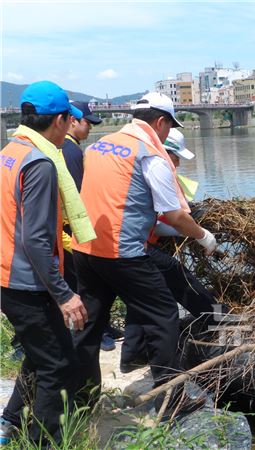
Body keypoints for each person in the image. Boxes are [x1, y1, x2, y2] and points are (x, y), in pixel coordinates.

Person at [70, 93, 218, 409]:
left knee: (90, 326)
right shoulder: (150, 154)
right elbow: (176, 216)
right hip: (122, 253)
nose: (166, 134)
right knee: (163, 316)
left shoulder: (99, 145)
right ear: (161, 122)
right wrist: (204, 237)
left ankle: (81, 401)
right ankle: (172, 401)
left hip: (84, 250)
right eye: (169, 127)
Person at [0, 81, 92, 445]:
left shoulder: (11, 151)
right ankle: (42, 441)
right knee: (59, 365)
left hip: (8, 276)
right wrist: (64, 293)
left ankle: (10, 422)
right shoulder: (40, 163)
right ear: (59, 120)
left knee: (41, 356)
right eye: (69, 118)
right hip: (26, 282)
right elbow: (36, 240)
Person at [120, 128, 226, 372]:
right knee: (175, 281)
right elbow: (173, 217)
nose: (178, 163)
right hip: (134, 245)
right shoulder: (156, 168)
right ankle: (216, 318)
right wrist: (201, 235)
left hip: (122, 244)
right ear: (166, 153)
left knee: (140, 298)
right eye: (176, 157)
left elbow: (156, 220)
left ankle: (132, 355)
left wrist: (181, 230)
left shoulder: (137, 166)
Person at [60, 101, 116, 352]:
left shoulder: (70, 148)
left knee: (90, 283)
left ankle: (103, 327)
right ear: (73, 120)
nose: (90, 129)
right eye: (88, 123)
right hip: (72, 230)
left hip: (73, 228)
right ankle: (97, 333)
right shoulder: (70, 152)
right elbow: (76, 194)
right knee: (85, 286)